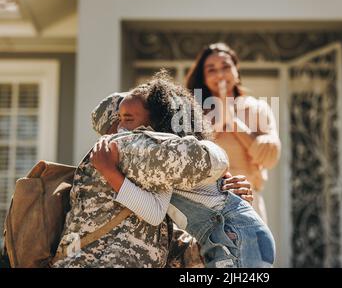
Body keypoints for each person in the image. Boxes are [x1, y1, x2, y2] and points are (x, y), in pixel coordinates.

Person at [92, 74, 275, 267]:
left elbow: (155, 211)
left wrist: (109, 171)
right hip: (229, 240)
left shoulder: (164, 158)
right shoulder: (107, 173)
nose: (121, 133)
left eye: (128, 119)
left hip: (233, 239)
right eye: (115, 126)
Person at [51, 78, 231, 268]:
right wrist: (219, 175)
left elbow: (157, 223)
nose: (119, 131)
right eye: (117, 120)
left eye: (128, 119)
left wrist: (223, 192)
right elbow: (209, 161)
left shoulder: (148, 172)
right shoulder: (127, 150)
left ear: (156, 119)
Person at [185, 43, 281, 223]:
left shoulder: (257, 108)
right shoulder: (194, 112)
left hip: (248, 203)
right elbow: (188, 157)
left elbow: (269, 156)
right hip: (205, 206)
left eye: (226, 67)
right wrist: (219, 120)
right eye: (211, 69)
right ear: (204, 77)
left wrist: (233, 121)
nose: (220, 74)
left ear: (237, 70)